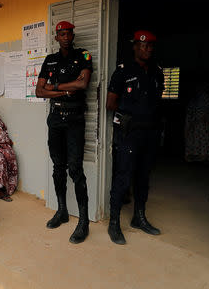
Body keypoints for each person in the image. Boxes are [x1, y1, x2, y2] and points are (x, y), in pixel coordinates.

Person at [35, 21, 93, 244]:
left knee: (75, 169)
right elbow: (39, 91)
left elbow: (83, 84)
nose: (66, 36)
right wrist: (66, 89)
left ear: (73, 35)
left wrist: (55, 87)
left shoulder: (83, 56)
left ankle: (84, 221)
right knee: (58, 166)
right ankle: (62, 211)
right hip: (56, 119)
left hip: (75, 119)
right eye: (61, 34)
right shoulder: (50, 60)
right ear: (56, 37)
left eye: (68, 33)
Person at [106, 30, 164, 245]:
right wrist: (130, 113)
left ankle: (139, 217)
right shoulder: (123, 71)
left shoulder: (157, 72)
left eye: (150, 46)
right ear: (135, 47)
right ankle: (114, 223)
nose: (147, 49)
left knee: (143, 177)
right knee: (123, 177)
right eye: (143, 45)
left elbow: (157, 102)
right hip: (129, 133)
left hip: (150, 133)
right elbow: (110, 104)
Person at [184, 82, 209, 164]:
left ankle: (202, 156)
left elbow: (204, 112)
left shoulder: (201, 97)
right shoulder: (196, 99)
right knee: (199, 139)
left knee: (201, 139)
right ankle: (199, 156)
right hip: (198, 123)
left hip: (201, 123)